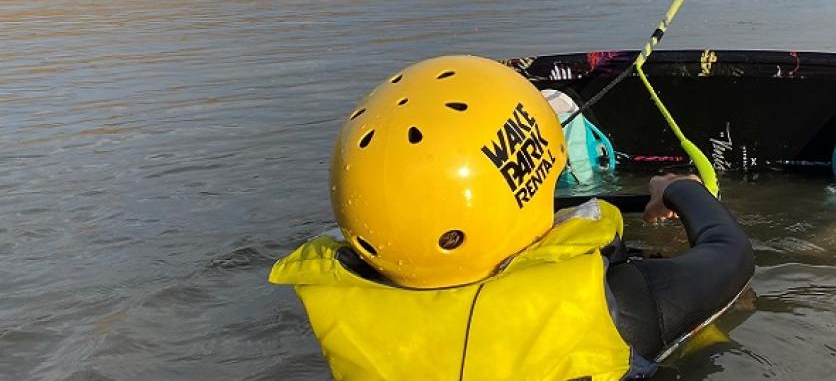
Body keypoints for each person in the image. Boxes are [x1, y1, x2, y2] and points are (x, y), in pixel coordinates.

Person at [269, 55, 754, 380]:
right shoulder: (622, 303)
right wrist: (679, 190)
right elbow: (730, 254)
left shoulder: (348, 316)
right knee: (710, 334)